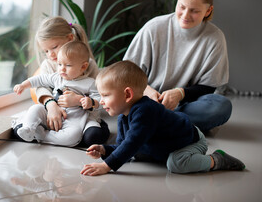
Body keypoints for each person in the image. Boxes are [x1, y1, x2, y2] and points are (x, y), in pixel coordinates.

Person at [80, 61, 245, 176]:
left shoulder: (145, 111)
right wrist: (104, 150)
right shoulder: (123, 116)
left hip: (190, 141)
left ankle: (216, 160)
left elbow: (133, 143)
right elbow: (124, 144)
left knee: (176, 164)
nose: (101, 101)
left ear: (128, 94)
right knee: (137, 153)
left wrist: (106, 166)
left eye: (105, 95)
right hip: (163, 145)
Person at [123, 0, 231, 132]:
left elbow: (208, 87)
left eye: (194, 11)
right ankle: (173, 125)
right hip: (148, 99)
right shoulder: (154, 28)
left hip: (186, 103)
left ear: (208, 11)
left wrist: (180, 93)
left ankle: (153, 123)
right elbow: (126, 72)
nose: (186, 15)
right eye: (182, 7)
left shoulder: (215, 38)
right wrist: (147, 90)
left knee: (222, 106)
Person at [32, 16, 110, 146]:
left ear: (70, 38)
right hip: (56, 112)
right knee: (34, 116)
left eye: (54, 47)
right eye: (46, 51)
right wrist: (51, 105)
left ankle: (95, 129)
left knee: (92, 138)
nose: (51, 54)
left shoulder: (88, 64)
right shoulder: (48, 64)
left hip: (82, 115)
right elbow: (41, 87)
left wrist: (78, 100)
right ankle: (42, 132)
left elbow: (99, 92)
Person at [13, 41, 101, 147]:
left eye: (68, 65)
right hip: (49, 113)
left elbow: (100, 99)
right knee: (35, 109)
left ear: (83, 67)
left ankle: (41, 135)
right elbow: (40, 79)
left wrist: (90, 101)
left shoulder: (89, 83)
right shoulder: (57, 77)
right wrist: (23, 85)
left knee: (72, 136)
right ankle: (28, 129)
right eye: (59, 64)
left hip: (72, 119)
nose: (62, 69)